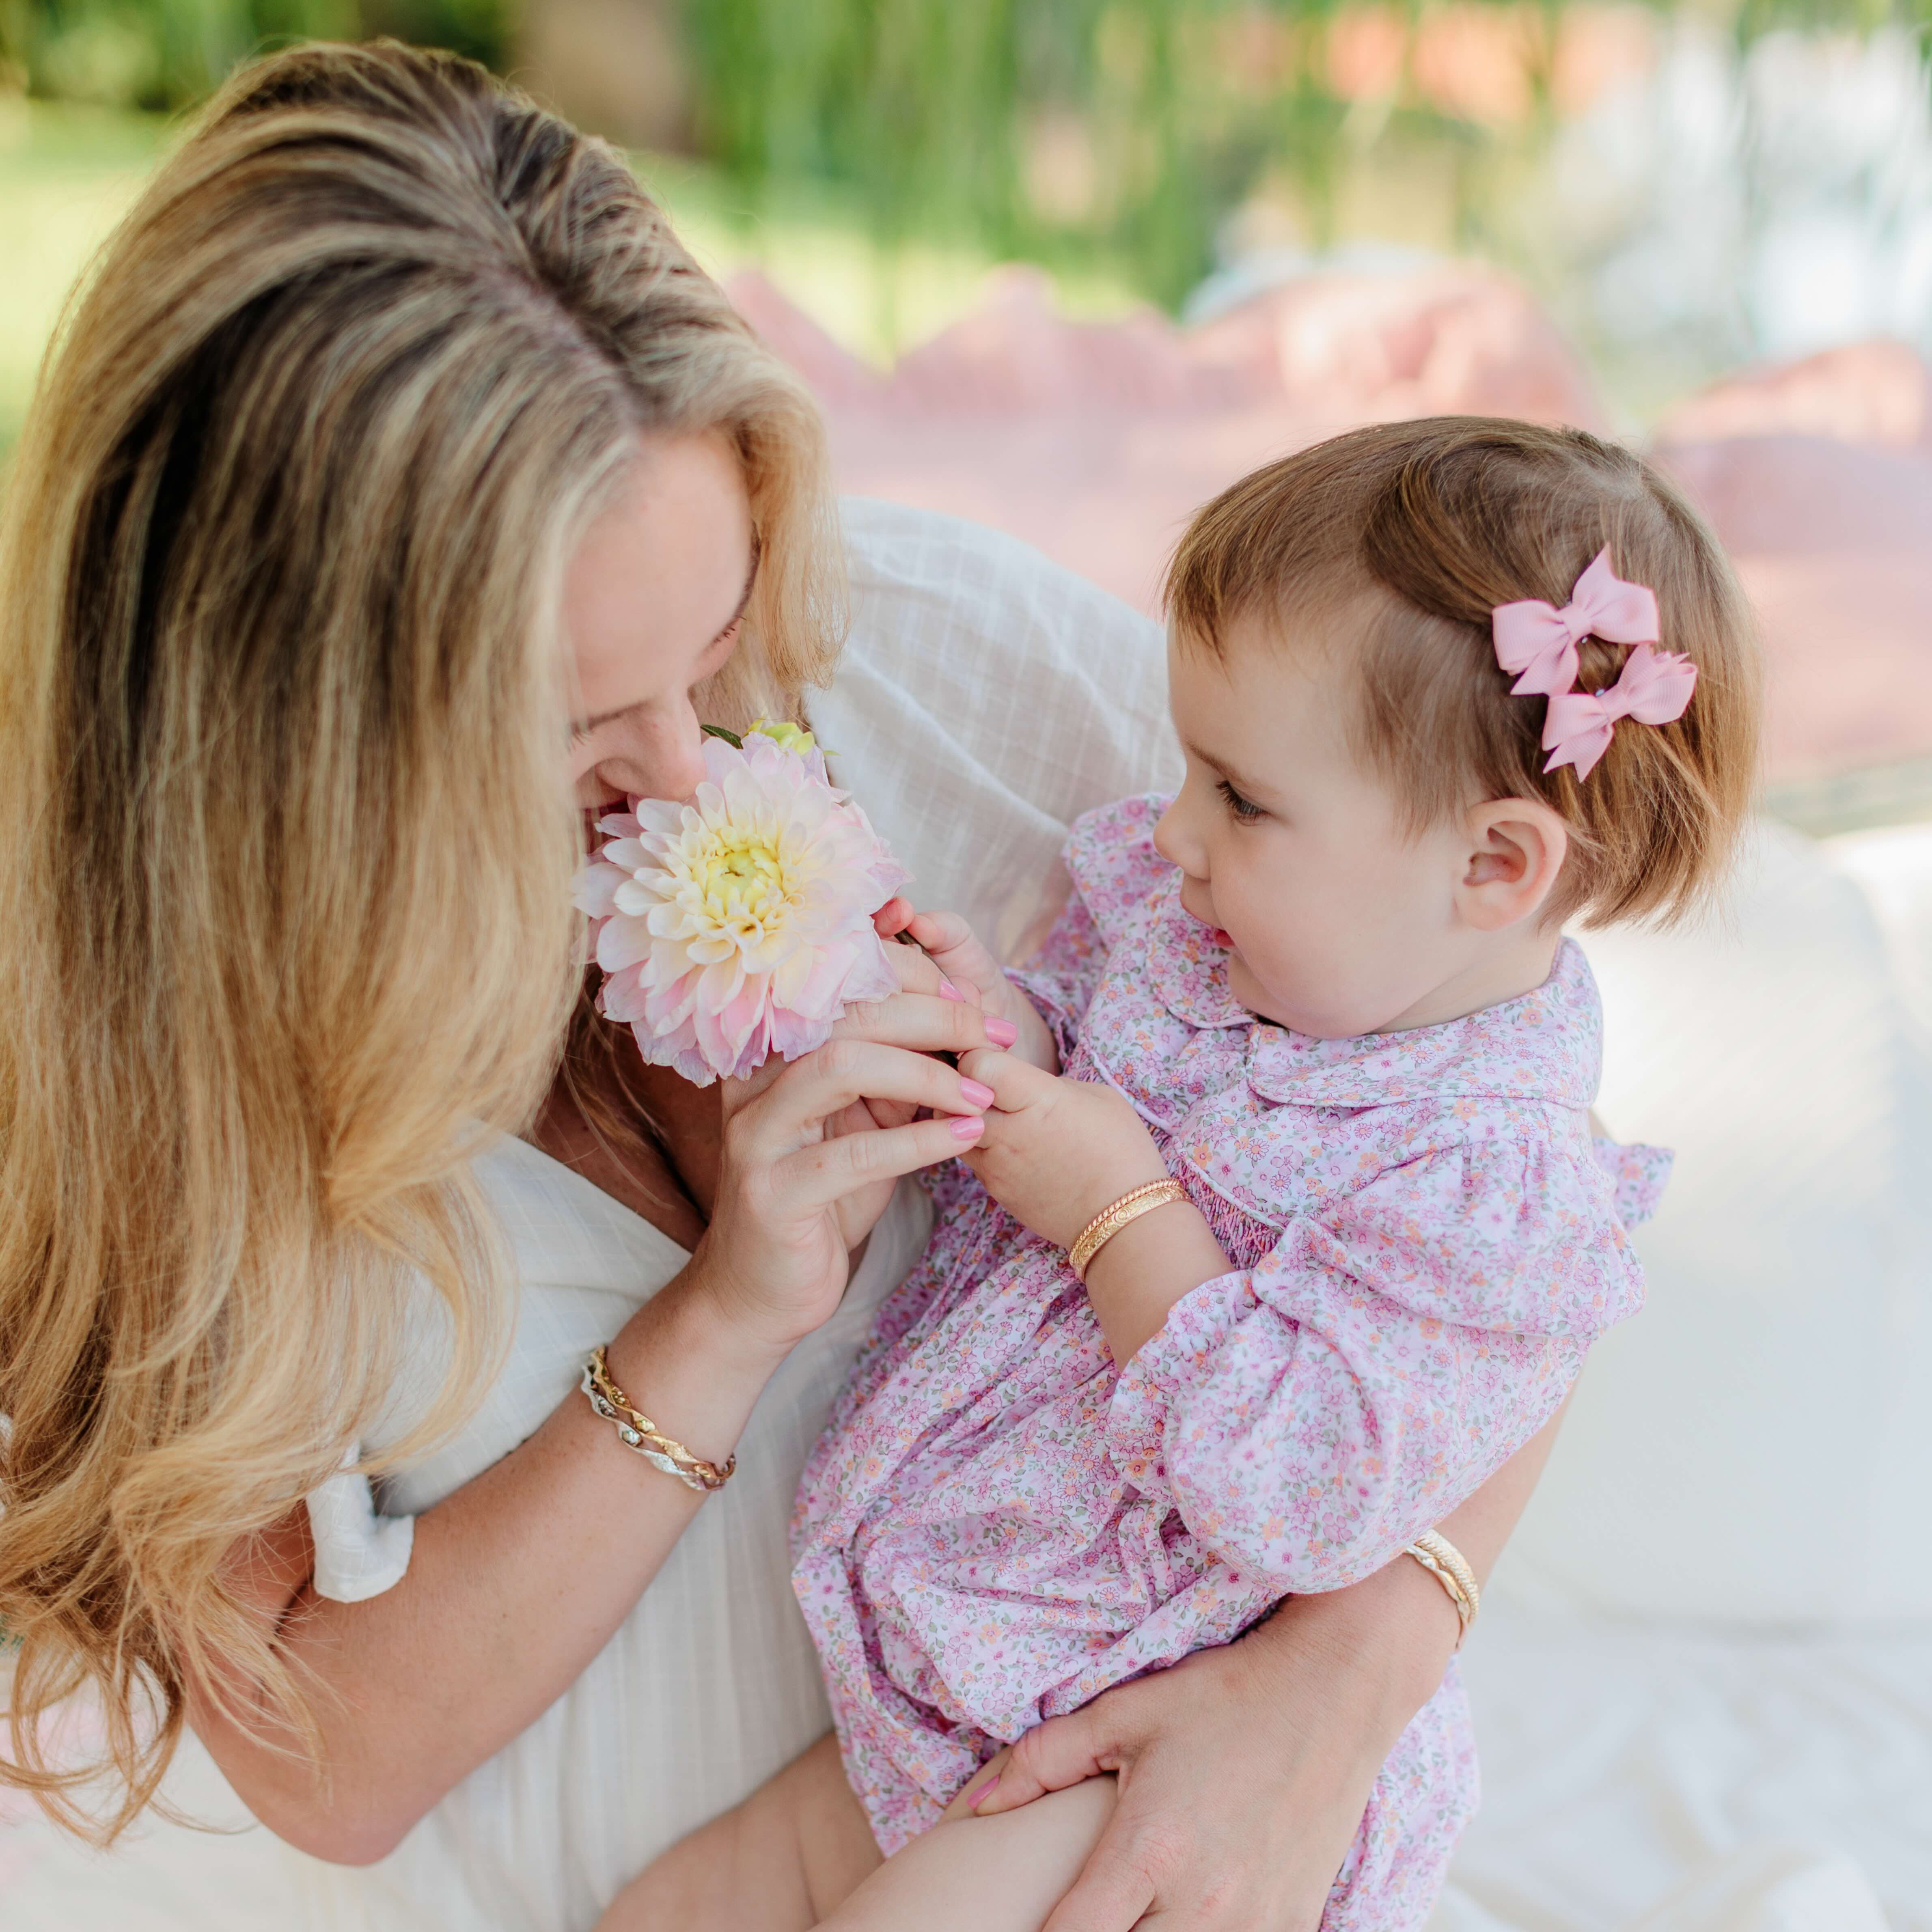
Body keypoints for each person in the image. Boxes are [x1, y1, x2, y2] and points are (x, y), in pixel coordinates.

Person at [0, 42, 1581, 1932]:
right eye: (580, 726)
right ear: (290, 756)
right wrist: (725, 1314)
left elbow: (1488, 1158)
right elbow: (323, 1763)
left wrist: (1346, 1672)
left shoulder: (949, 666)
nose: (687, 770)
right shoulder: (126, 1054)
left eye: (720, 628)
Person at [599, 420, 1761, 1932]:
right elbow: (1099, 1062)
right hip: (955, 1690)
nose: (1178, 833)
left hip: (1137, 1753)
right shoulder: (1217, 942)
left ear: (1494, 869)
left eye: (1243, 798)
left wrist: (1116, 1216)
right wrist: (1003, 1030)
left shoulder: (1490, 1187)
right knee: (669, 1913)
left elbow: (1312, 1496)